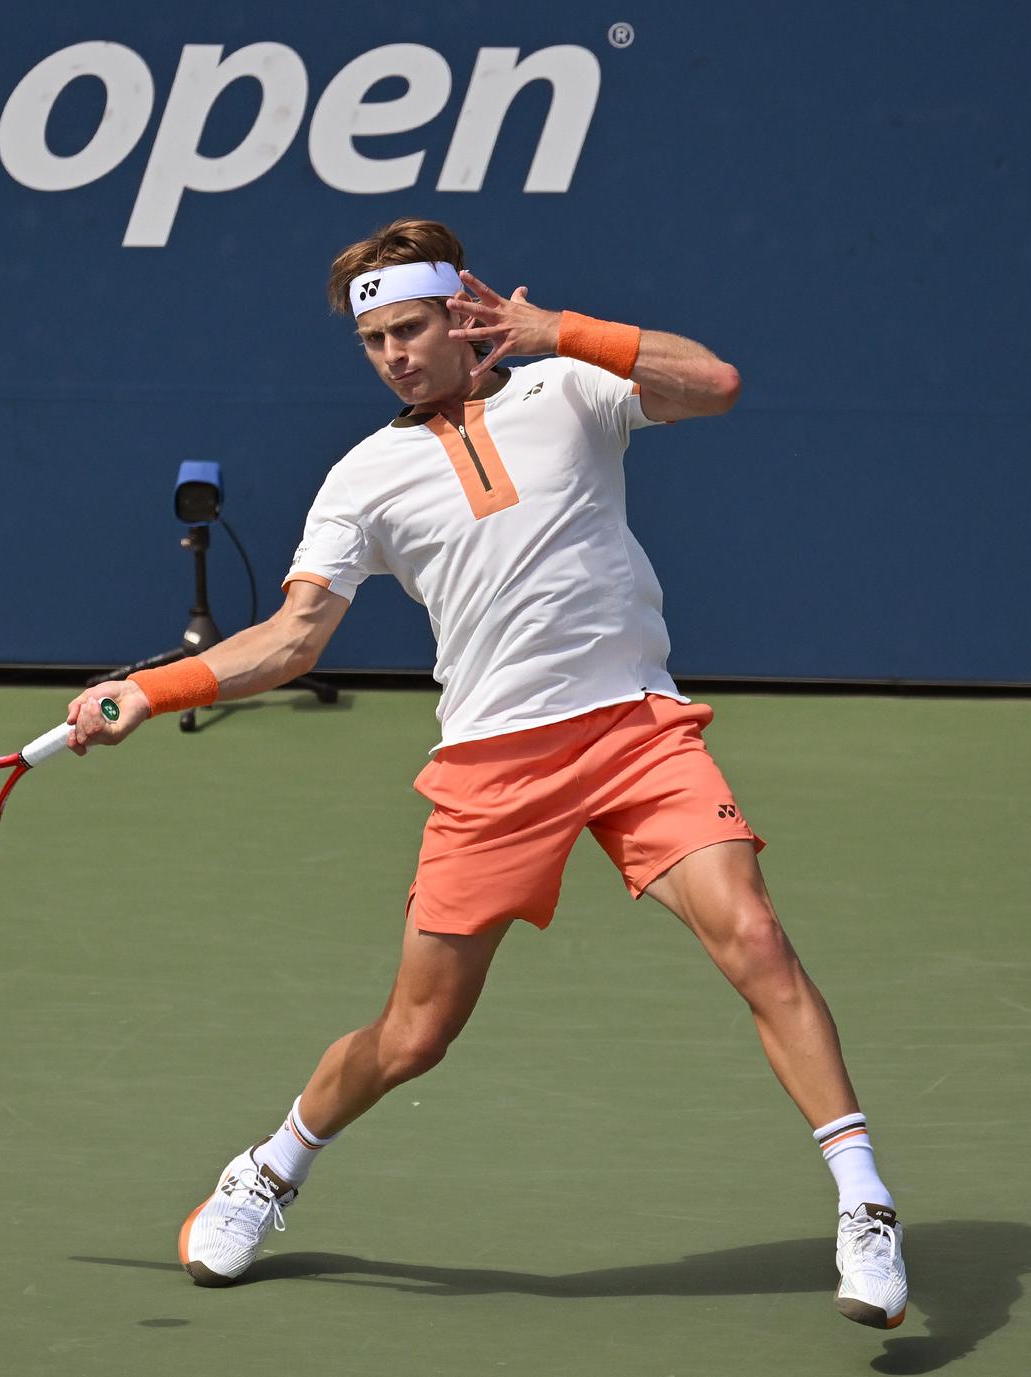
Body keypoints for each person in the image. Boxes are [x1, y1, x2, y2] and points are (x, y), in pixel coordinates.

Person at [65, 218, 908, 1330]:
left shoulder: (568, 388)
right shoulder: (364, 476)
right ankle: (268, 1171)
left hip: (635, 733)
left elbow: (715, 384)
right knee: (416, 1035)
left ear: (463, 315)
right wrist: (153, 689)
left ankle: (865, 1207)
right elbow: (292, 637)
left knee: (755, 937)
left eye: (410, 329)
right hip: (491, 765)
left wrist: (555, 327)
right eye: (373, 341)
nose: (392, 356)